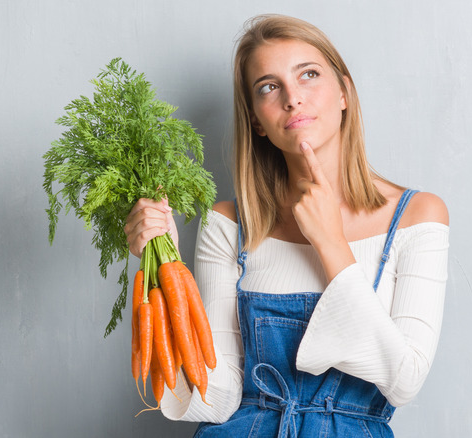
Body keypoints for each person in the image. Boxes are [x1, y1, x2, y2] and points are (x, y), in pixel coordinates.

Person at [124, 14, 449, 438]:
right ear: (257, 120)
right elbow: (216, 396)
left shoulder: (417, 216)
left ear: (344, 93)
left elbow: (404, 380)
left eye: (309, 75)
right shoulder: (228, 224)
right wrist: (163, 272)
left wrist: (330, 241)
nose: (293, 99)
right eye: (269, 87)